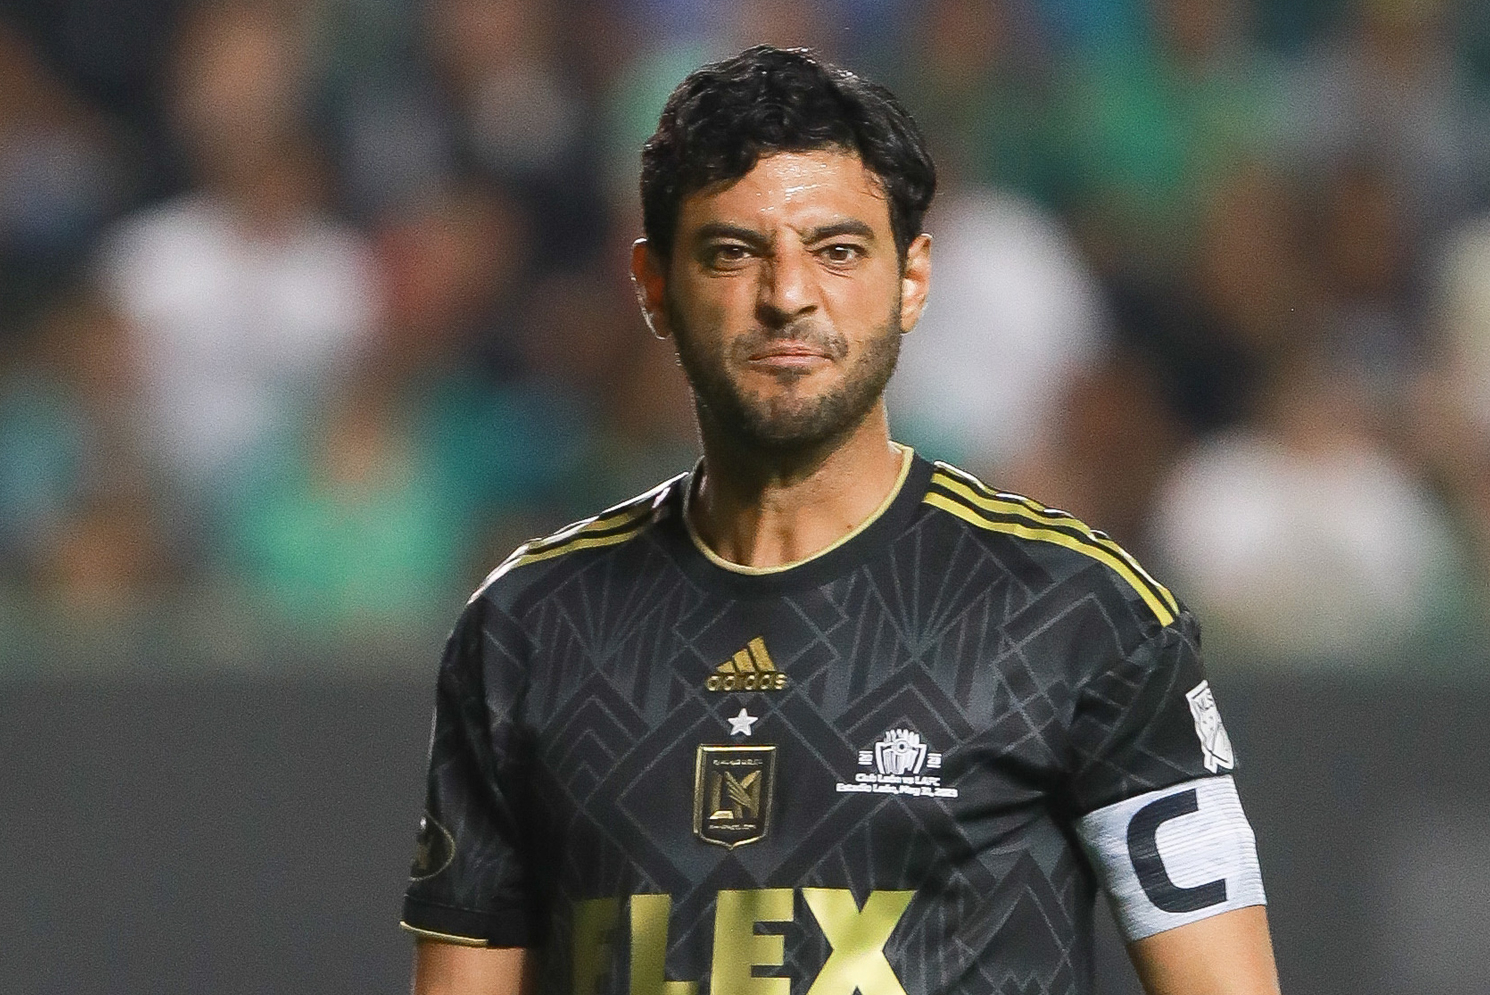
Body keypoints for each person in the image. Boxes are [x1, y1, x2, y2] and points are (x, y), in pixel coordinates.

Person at [400, 45, 1281, 995]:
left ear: (912, 280)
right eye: (734, 252)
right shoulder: (527, 629)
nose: (788, 295)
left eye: (838, 251)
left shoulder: (1077, 615)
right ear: (653, 285)